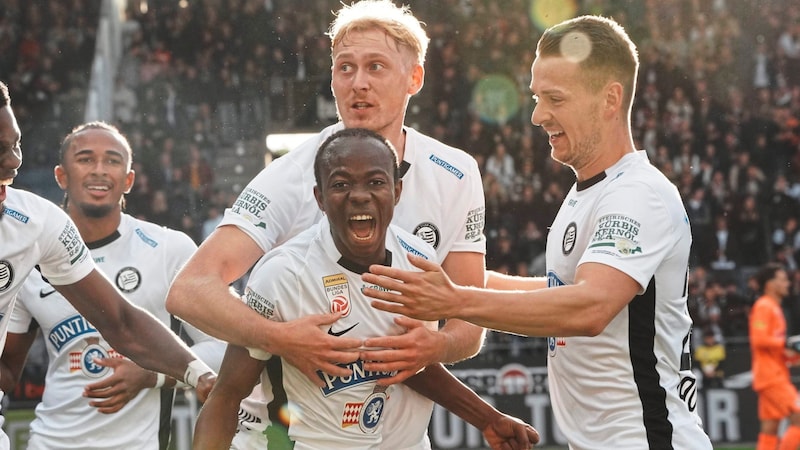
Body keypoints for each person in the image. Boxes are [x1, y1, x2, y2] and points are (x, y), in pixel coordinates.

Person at [361, 15, 713, 449]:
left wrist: (457, 300)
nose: (537, 115)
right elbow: (561, 290)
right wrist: (459, 281)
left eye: (554, 99)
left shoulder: (639, 194)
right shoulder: (591, 192)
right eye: (535, 97)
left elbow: (590, 307)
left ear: (610, 99)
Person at [167, 1, 489, 448]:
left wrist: (437, 347)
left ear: (414, 78)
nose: (358, 83)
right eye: (345, 68)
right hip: (288, 434)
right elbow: (190, 290)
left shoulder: (456, 173)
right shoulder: (292, 175)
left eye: (376, 66)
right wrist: (280, 338)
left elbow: (469, 321)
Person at [194, 128, 538, 450]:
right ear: (320, 198)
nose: (359, 196)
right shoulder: (283, 275)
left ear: (396, 191)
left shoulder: (418, 261)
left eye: (375, 182)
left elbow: (405, 364)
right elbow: (226, 395)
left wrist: (487, 418)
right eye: (341, 184)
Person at [0, 82, 215, 448]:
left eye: (16, 145)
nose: (14, 161)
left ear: (129, 179)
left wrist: (174, 376)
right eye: (85, 159)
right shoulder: (35, 247)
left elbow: (122, 321)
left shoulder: (35, 227)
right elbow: (8, 370)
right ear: (61, 176)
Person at [749, 263, 800, 450]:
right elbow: (759, 339)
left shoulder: (774, 308)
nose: (787, 283)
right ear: (770, 284)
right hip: (772, 377)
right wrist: (787, 344)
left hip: (772, 374)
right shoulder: (764, 306)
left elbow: (773, 347)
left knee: (770, 429)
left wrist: (792, 356)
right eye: (783, 279)